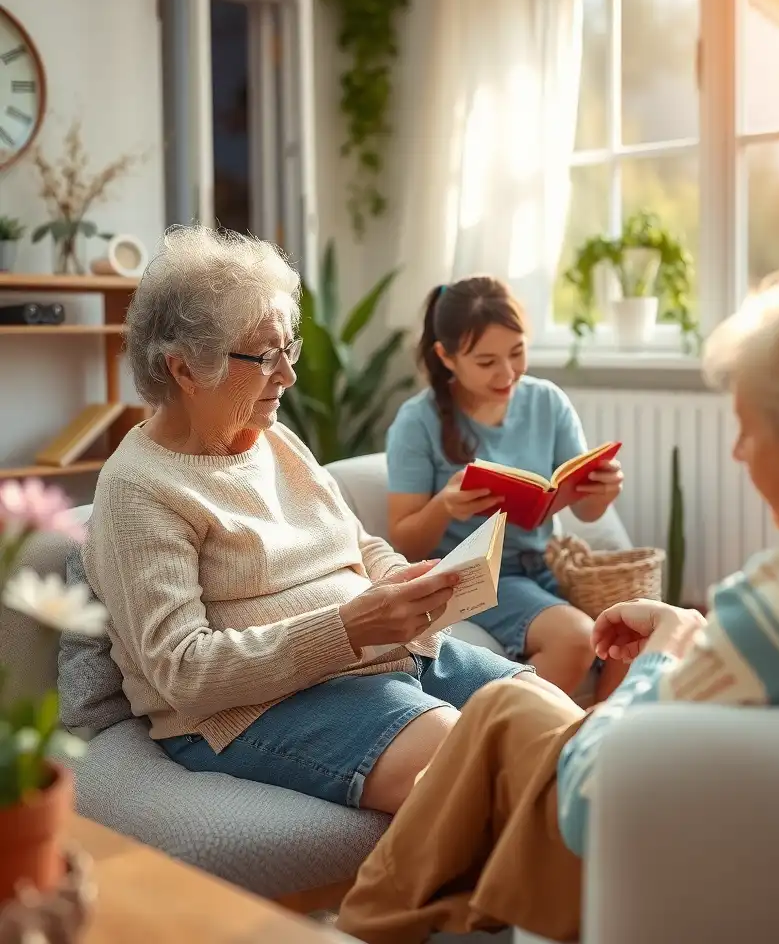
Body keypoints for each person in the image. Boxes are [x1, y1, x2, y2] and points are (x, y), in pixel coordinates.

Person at [338, 255, 779, 943]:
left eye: (749, 429)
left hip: (720, 869)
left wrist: (668, 649)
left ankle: (370, 924)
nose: (737, 452)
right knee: (512, 707)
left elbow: (596, 799)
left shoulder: (776, 617)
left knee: (505, 707)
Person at [81, 226, 560, 818]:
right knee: (466, 754)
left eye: (290, 348)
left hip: (384, 651)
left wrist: (405, 579)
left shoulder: (273, 438)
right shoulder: (139, 489)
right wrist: (348, 627)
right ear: (184, 368)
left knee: (555, 720)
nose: (287, 375)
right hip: (252, 709)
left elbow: (354, 542)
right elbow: (183, 671)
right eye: (263, 356)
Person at [384, 276, 625, 696]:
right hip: (481, 575)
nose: (508, 373)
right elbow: (404, 542)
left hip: (547, 564)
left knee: (637, 629)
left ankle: (589, 744)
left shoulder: (547, 401)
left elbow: (585, 511)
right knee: (574, 637)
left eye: (517, 353)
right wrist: (444, 505)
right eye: (486, 361)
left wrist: (600, 494)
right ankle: (505, 744)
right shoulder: (417, 422)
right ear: (446, 357)